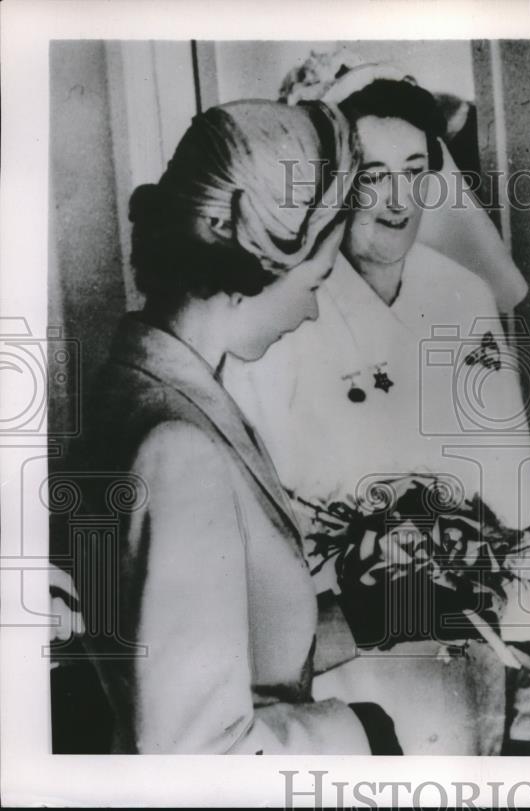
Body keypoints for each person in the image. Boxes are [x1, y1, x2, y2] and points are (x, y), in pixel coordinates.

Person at [223, 56, 530, 756]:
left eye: (414, 170)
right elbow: (250, 520)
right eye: (373, 175)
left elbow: (513, 480)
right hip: (340, 663)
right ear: (335, 182)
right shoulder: (283, 313)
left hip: (467, 643)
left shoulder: (460, 295)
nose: (398, 200)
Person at [73, 99, 400, 754]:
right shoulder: (178, 447)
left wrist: (362, 619)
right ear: (258, 266)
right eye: (316, 278)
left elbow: (218, 659)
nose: (311, 310)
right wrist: (358, 732)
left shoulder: (141, 394)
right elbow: (197, 754)